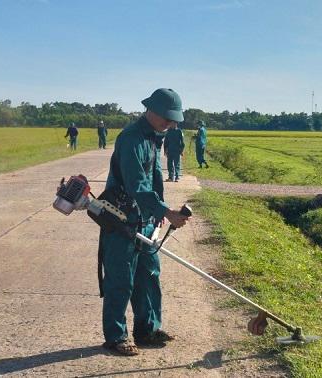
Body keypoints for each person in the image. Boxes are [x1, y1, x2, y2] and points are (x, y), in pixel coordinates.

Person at [99, 88, 190, 356]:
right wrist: (167, 211)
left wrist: (159, 213)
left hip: (146, 219)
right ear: (151, 111)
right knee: (121, 279)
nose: (171, 124)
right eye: (168, 118)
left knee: (149, 275)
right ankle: (116, 337)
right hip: (122, 220)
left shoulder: (153, 137)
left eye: (174, 120)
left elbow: (155, 180)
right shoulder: (131, 139)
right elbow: (137, 185)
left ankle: (147, 329)